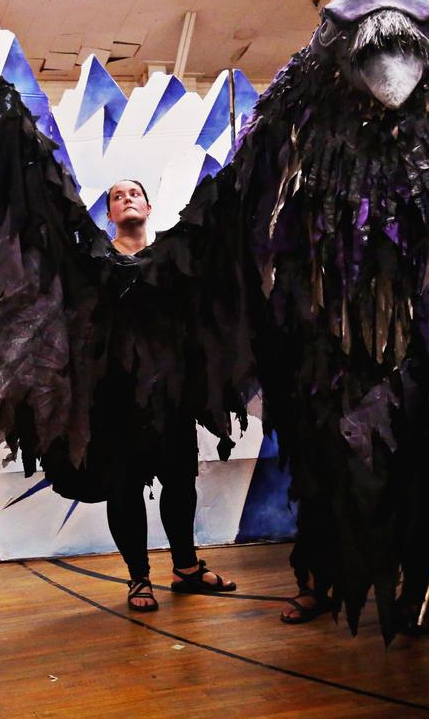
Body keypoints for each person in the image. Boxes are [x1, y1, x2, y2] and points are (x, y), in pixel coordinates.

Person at [102, 179, 236, 612]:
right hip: (117, 395)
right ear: (109, 214)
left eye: (133, 194)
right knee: (123, 489)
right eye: (117, 196)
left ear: (149, 205)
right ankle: (138, 578)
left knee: (180, 483)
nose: (127, 199)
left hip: (171, 393)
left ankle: (186, 569)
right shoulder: (95, 264)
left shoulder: (172, 258)